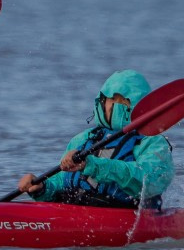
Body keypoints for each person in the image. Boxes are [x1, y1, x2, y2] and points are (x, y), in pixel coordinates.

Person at [16, 70, 174, 208]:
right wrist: (41, 187)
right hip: (75, 209)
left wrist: (94, 165)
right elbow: (61, 182)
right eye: (108, 100)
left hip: (124, 213)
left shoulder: (151, 142)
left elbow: (150, 181)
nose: (110, 105)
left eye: (121, 101)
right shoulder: (83, 139)